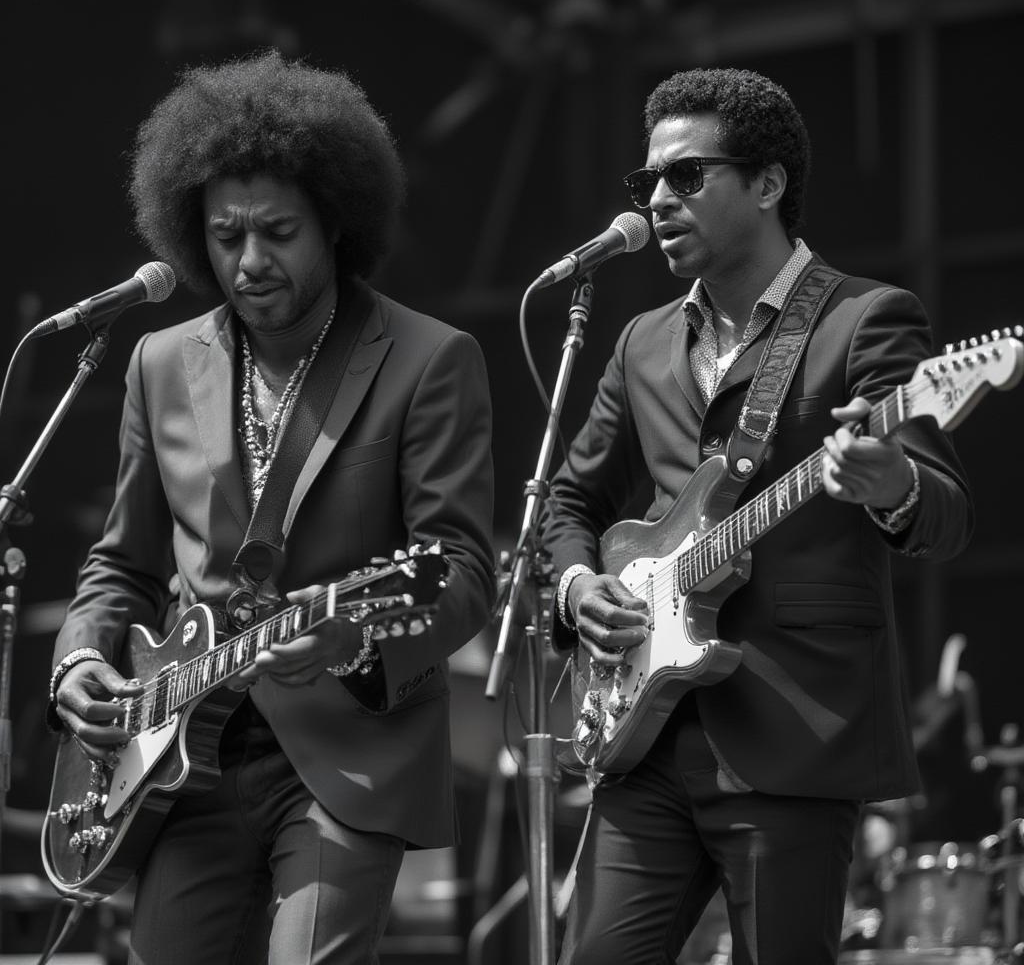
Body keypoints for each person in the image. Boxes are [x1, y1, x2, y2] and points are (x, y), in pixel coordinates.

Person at [46, 50, 495, 964]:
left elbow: (463, 574)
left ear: (335, 221)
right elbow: (122, 564)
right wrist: (80, 662)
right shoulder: (159, 361)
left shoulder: (430, 358)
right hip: (176, 764)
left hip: (345, 756)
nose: (248, 261)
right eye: (223, 235)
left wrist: (355, 638)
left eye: (278, 231)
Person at [540, 67, 973, 964]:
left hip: (792, 737)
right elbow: (572, 500)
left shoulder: (866, 320)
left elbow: (946, 512)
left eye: (686, 176)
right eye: (647, 182)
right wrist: (579, 585)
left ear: (768, 184)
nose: (657, 198)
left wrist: (890, 483)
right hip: (643, 735)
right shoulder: (642, 340)